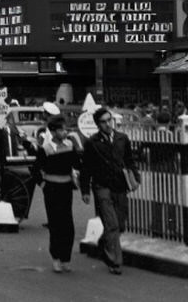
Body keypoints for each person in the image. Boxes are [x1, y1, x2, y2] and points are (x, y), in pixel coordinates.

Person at [79, 106, 138, 276]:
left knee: (120, 225)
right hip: (102, 187)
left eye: (109, 120)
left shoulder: (122, 139)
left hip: (120, 186)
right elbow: (86, 169)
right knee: (111, 225)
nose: (107, 124)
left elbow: (129, 160)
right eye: (103, 122)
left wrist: (135, 177)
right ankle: (115, 262)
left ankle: (103, 243)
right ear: (98, 125)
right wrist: (85, 190)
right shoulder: (92, 143)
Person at [34, 112, 82, 273]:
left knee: (68, 225)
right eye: (62, 130)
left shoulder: (69, 146)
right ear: (53, 132)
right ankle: (56, 258)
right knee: (55, 224)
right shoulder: (45, 149)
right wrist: (43, 184)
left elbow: (77, 164)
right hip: (52, 189)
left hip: (66, 188)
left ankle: (66, 258)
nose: (65, 133)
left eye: (66, 130)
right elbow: (35, 170)